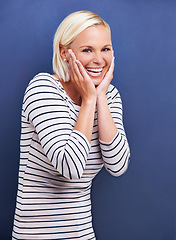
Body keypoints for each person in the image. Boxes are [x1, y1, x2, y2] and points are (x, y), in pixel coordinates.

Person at [12, 10, 130, 240]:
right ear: (65, 53)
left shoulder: (110, 96)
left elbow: (117, 165)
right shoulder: (43, 88)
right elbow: (71, 168)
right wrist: (88, 101)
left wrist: (101, 98)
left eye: (105, 49)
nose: (99, 60)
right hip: (35, 235)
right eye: (87, 50)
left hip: (82, 234)